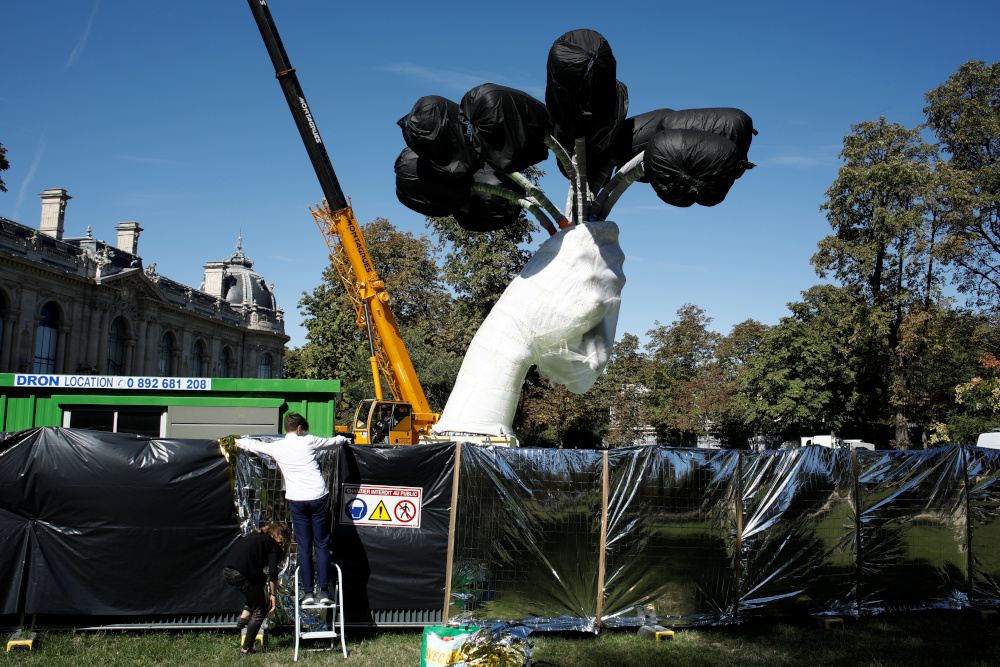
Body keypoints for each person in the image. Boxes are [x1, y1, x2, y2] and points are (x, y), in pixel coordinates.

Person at [237, 413, 350, 605]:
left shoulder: (277, 447)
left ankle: (307, 593)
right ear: (299, 428)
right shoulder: (307, 440)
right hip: (318, 496)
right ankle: (324, 592)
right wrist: (344, 438)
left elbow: (254, 445)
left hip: (297, 500)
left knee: (304, 547)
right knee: (322, 545)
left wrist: (239, 442)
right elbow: (333, 442)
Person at [223, 522, 290, 658]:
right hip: (240, 574)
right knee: (261, 609)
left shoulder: (256, 536)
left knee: (260, 579)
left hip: (227, 570)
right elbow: (273, 572)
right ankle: (246, 649)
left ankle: (246, 613)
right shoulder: (273, 545)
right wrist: (273, 595)